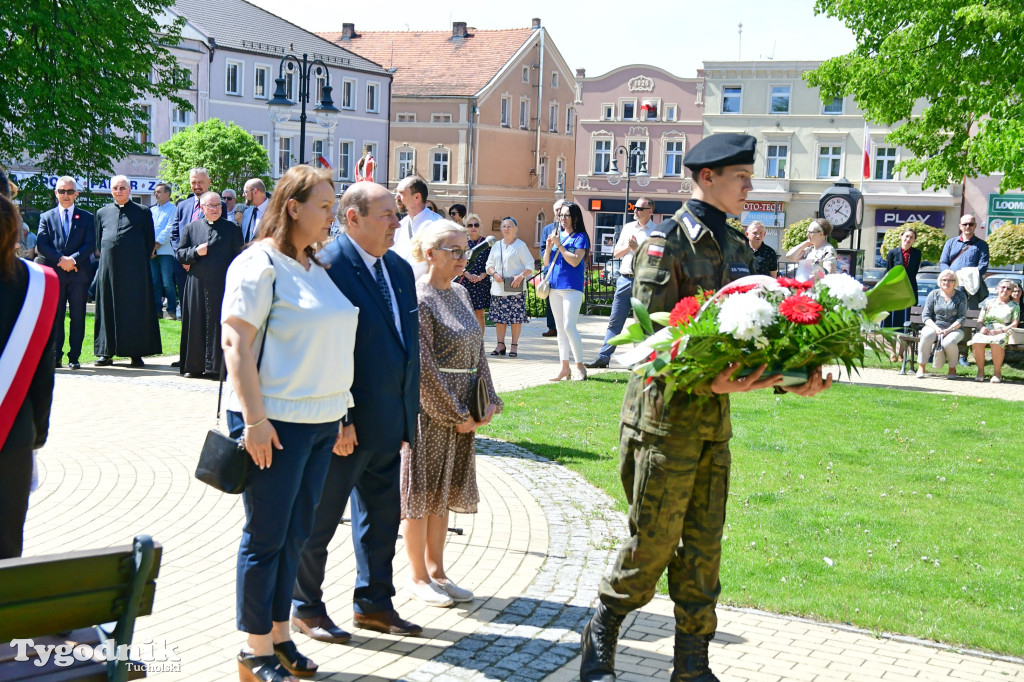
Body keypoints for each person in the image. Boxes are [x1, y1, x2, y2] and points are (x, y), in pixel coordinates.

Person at [580, 133, 832, 682]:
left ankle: (692, 667)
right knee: (651, 546)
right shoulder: (665, 243)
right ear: (708, 177)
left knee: (702, 552)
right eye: (741, 176)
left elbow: (755, 339)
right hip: (662, 423)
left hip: (712, 427)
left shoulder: (741, 248)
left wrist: (793, 378)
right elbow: (647, 341)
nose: (750, 186)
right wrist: (711, 382)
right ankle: (601, 631)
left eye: (749, 175)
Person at [221, 165, 358, 682]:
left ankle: (280, 637)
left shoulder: (314, 266)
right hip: (276, 423)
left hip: (322, 421)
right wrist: (253, 419)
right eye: (324, 206)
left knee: (298, 534)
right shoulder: (259, 265)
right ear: (293, 207)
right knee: (266, 537)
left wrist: (342, 415)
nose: (332, 217)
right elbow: (235, 343)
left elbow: (332, 345)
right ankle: (253, 650)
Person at [292, 181, 423, 643]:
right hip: (344, 424)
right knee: (319, 518)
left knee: (381, 519)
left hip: (390, 423)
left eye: (398, 213)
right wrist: (341, 418)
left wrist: (409, 417)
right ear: (353, 217)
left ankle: (374, 604)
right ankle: (304, 606)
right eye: (387, 213)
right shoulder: (326, 266)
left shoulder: (401, 270)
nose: (397, 222)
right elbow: (325, 347)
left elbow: (408, 348)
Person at [401, 220, 501, 607]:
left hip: (464, 412)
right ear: (431, 254)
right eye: (455, 251)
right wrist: (455, 412)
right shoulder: (420, 297)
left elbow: (477, 349)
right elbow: (422, 366)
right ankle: (417, 576)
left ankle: (438, 572)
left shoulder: (460, 293)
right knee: (421, 494)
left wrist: (487, 399)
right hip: (431, 412)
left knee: (444, 493)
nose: (464, 258)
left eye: (466, 251)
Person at [0, 192, 57, 560]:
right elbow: (43, 372)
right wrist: (38, 431)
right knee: (7, 543)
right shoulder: (36, 284)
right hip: (14, 429)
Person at [93, 175, 162, 367]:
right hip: (108, 270)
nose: (119, 191)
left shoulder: (142, 212)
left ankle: (135, 352)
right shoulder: (101, 212)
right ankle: (106, 353)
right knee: (107, 308)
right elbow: (99, 240)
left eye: (122, 187)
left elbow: (149, 240)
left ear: (129, 190)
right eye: (115, 188)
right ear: (111, 190)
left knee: (135, 309)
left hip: (135, 271)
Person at [177, 191, 243, 378]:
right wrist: (195, 252)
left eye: (218, 206)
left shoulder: (231, 229)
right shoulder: (191, 227)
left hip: (221, 285)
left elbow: (240, 257)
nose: (215, 209)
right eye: (211, 206)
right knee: (195, 324)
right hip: (196, 285)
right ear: (203, 208)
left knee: (218, 325)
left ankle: (217, 368)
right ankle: (194, 366)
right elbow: (180, 254)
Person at [587, 197, 657, 369]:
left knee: (641, 323)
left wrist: (637, 248)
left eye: (640, 208)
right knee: (615, 321)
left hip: (643, 281)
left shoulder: (657, 231)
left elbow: (656, 258)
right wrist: (628, 248)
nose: (635, 210)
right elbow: (616, 253)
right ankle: (603, 357)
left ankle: (639, 360)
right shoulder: (627, 228)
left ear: (650, 211)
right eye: (635, 207)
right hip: (624, 279)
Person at [35, 176, 95, 370]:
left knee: (78, 317)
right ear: (56, 193)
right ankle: (56, 356)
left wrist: (73, 260)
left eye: (70, 191)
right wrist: (61, 260)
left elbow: (90, 245)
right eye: (62, 191)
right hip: (56, 274)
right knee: (56, 317)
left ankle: (74, 357)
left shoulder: (86, 217)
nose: (66, 195)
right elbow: (42, 244)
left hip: (79, 275)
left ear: (76, 194)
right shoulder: (46, 217)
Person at [544, 202, 590, 381]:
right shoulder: (557, 235)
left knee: (570, 326)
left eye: (566, 215)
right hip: (555, 287)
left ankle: (580, 366)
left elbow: (575, 261)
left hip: (572, 287)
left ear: (575, 217)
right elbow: (546, 262)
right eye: (561, 215)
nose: (562, 219)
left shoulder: (580, 237)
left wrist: (560, 246)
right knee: (560, 329)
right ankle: (564, 367)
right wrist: (549, 247)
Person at [484, 217, 533, 359]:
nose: (506, 229)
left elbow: (530, 265)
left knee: (515, 319)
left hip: (515, 288)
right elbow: (488, 265)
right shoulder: (496, 245)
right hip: (498, 288)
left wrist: (520, 276)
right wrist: (494, 273)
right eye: (504, 226)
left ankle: (514, 346)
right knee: (500, 319)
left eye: (509, 226)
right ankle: (500, 345)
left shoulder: (520, 245)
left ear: (515, 229)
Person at [916, 270, 967, 379]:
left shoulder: (961, 296)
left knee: (949, 342)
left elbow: (962, 318)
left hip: (955, 329)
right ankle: (921, 367)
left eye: (950, 280)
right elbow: (925, 316)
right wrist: (936, 328)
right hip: (934, 326)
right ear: (940, 281)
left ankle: (952, 368)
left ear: (955, 282)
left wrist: (948, 330)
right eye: (944, 280)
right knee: (927, 335)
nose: (947, 282)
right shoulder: (933, 294)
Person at [392, 176, 443, 280]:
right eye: (397, 193)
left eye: (401, 193)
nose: (396, 197)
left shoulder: (437, 224)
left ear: (417, 197)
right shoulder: (400, 225)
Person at [970, 279, 1019, 383]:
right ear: (997, 288)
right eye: (1003, 287)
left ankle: (997, 373)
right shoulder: (988, 303)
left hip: (1003, 331)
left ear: (1011, 291)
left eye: (1008, 288)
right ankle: (980, 371)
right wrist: (981, 327)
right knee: (977, 340)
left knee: (997, 341)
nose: (1005, 290)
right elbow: (979, 321)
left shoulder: (1014, 306)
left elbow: (1014, 323)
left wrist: (1000, 331)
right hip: (986, 330)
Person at [939, 214, 989, 309]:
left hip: (971, 286)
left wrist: (968, 275)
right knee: (951, 311)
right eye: (965, 224)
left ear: (975, 226)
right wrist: (950, 276)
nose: (967, 227)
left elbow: (983, 265)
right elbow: (943, 263)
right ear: (960, 226)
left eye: (970, 224)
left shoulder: (982, 245)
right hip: (952, 284)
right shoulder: (950, 243)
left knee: (970, 314)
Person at [885, 227, 922, 334]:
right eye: (906, 236)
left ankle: (906, 333)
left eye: (911, 237)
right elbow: (889, 271)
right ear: (901, 237)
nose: (908, 239)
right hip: (895, 288)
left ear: (914, 240)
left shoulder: (917, 253)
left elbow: (914, 271)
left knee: (907, 312)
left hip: (910, 287)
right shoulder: (892, 253)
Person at [150, 182, 178, 320]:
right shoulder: (152, 210)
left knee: (167, 282)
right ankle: (157, 310)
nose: (156, 194)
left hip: (165, 250)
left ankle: (172, 310)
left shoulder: (173, 209)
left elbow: (169, 229)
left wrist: (156, 244)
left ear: (167, 194)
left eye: (159, 192)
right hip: (151, 252)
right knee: (154, 281)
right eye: (155, 192)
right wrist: (150, 247)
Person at [459, 213, 491, 330]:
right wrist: (467, 274)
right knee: (465, 314)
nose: (473, 228)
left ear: (480, 227)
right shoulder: (462, 242)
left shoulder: (486, 243)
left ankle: (479, 344)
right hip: (465, 281)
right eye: (470, 225)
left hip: (481, 282)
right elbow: (457, 260)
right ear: (466, 227)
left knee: (479, 314)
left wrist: (482, 276)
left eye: (476, 225)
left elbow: (491, 262)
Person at [539, 200, 566, 337]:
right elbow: (542, 248)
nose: (559, 212)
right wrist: (547, 257)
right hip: (550, 269)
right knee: (550, 299)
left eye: (561, 209)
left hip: (565, 269)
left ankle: (564, 326)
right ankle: (552, 327)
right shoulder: (547, 229)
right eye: (557, 210)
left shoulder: (571, 229)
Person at [242, 179, 271, 244]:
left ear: (255, 191)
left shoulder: (276, 211)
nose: (243, 195)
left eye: (245, 192)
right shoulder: (247, 212)